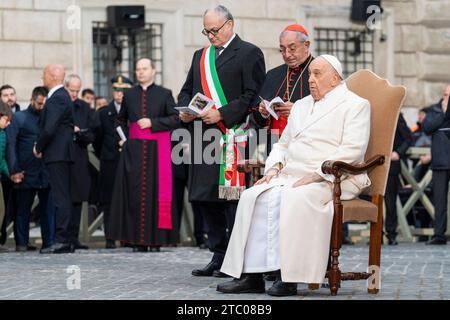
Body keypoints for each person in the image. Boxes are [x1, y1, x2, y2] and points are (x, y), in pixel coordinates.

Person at [217, 55, 371, 296]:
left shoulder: (355, 105)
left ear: (335, 78)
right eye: (310, 74)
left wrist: (318, 173)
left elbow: (353, 150)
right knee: (252, 196)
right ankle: (251, 275)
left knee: (294, 198)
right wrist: (272, 169)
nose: (310, 79)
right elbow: (282, 145)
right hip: (290, 174)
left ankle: (288, 276)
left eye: (317, 74)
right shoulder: (301, 105)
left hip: (335, 177)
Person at [177, 5, 265, 277]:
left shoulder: (250, 53)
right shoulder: (199, 56)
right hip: (203, 137)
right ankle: (219, 253)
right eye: (206, 31)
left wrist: (222, 113)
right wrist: (185, 111)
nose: (210, 35)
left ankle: (237, 258)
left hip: (234, 135)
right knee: (204, 198)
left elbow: (253, 94)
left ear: (229, 25)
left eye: (214, 30)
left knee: (230, 199)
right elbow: (187, 91)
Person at [110, 59, 179, 252]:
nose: (140, 72)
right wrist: (125, 138)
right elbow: (119, 119)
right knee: (134, 194)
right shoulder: (129, 94)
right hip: (135, 152)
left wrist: (153, 123)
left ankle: (156, 240)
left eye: (144, 69)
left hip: (158, 151)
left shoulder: (164, 93)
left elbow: (175, 119)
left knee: (156, 193)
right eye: (138, 69)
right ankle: (136, 240)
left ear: (153, 71)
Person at [6, 86, 56, 252]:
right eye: (39, 103)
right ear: (32, 100)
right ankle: (21, 243)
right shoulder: (19, 118)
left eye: (44, 104)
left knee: (48, 210)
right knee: (23, 210)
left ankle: (49, 243)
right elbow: (11, 146)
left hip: (45, 171)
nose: (41, 107)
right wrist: (14, 170)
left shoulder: (49, 117)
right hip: (25, 171)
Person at [34, 64, 75, 254]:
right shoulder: (59, 96)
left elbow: (49, 128)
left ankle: (62, 240)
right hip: (59, 153)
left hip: (57, 154)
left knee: (60, 197)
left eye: (44, 74)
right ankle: (65, 239)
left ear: (52, 76)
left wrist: (38, 146)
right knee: (62, 196)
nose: (43, 78)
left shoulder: (58, 98)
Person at [252, 24, 313, 151]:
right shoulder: (273, 75)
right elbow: (256, 118)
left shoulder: (320, 72)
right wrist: (262, 112)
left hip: (307, 146)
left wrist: (298, 110)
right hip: (274, 147)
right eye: (282, 49)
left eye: (292, 48)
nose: (287, 54)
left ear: (306, 45)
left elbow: (329, 111)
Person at [93, 75, 132, 249]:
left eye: (123, 91)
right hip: (109, 161)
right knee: (108, 200)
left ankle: (126, 237)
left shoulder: (134, 112)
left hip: (129, 161)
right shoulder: (103, 113)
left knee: (128, 199)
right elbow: (97, 139)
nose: (119, 94)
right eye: (117, 90)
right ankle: (110, 236)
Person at [64, 74, 96, 250]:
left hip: (79, 157)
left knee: (77, 200)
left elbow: (90, 133)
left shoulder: (84, 107)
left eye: (77, 91)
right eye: (71, 90)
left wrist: (78, 132)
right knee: (64, 200)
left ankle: (74, 238)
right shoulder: (59, 103)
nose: (74, 94)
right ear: (65, 87)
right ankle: (63, 237)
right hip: (62, 157)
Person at [421, 84, 450, 245]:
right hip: (440, 161)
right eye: (446, 95)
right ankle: (439, 234)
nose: (447, 98)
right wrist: (444, 113)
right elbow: (426, 128)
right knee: (439, 201)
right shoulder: (434, 110)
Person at [384, 113, 413, 245]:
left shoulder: (396, 113)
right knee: (374, 202)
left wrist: (398, 152)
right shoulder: (368, 111)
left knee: (390, 202)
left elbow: (408, 138)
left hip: (391, 164)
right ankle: (376, 235)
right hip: (372, 165)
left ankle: (391, 234)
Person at [0, 102, 12, 253]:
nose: (8, 124)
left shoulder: (2, 134)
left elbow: (1, 159)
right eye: (6, 120)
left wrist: (11, 174)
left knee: (2, 210)